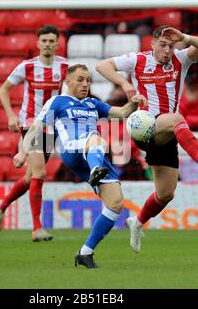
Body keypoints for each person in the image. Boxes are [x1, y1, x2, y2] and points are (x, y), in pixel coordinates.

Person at [96, 25, 198, 253]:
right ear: (152, 44)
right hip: (144, 127)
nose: (167, 50)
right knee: (176, 119)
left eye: (171, 46)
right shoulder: (137, 60)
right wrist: (125, 84)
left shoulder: (180, 59)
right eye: (163, 45)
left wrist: (184, 37)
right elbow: (101, 66)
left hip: (167, 135)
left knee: (166, 193)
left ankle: (136, 222)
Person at [13, 64, 147, 268]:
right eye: (80, 79)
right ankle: (95, 171)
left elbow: (120, 113)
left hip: (94, 154)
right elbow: (36, 128)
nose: (85, 84)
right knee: (98, 140)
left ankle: (85, 252)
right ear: (67, 81)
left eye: (88, 80)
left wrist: (133, 103)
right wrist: (23, 152)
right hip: (72, 150)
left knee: (116, 203)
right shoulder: (57, 102)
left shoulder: (94, 103)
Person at [0, 25, 68, 242]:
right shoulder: (26, 67)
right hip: (29, 124)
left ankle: (2, 204)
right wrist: (10, 115)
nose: (47, 44)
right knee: (40, 174)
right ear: (37, 43)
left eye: (51, 41)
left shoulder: (64, 66)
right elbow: (3, 89)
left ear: (57, 43)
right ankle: (37, 229)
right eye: (44, 40)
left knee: (30, 178)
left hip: (50, 127)